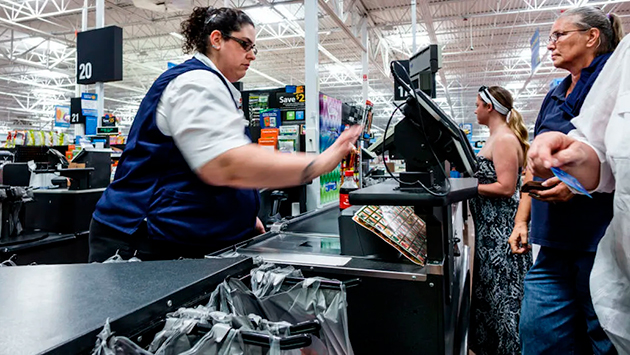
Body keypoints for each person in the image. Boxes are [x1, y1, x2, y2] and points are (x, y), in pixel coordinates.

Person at [88, 7, 361, 262]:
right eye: (245, 44)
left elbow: (202, 164)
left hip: (172, 237)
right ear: (217, 39)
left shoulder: (215, 86)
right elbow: (226, 165)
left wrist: (241, 217)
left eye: (254, 48)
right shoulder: (195, 82)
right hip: (140, 241)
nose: (252, 55)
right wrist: (321, 162)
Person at [507, 7, 624, 354]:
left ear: (592, 37)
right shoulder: (555, 94)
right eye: (550, 37)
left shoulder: (614, 85)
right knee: (539, 335)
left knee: (604, 338)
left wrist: (578, 183)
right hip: (553, 244)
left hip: (601, 243)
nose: (551, 45)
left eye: (560, 35)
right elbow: (533, 163)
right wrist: (521, 219)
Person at [468, 85, 532, 355]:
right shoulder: (496, 137)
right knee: (492, 301)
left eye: (478, 104)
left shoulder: (504, 139)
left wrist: (468, 188)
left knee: (504, 300)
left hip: (501, 234)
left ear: (489, 107)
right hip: (489, 232)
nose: (475, 109)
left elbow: (506, 187)